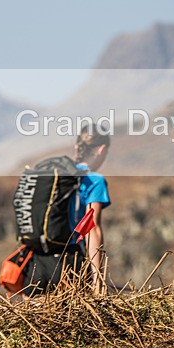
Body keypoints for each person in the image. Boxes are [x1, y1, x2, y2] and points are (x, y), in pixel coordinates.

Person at [22, 122, 111, 295]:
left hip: (37, 263)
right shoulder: (94, 181)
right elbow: (92, 230)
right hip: (69, 264)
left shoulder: (55, 176)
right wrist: (97, 281)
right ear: (101, 150)